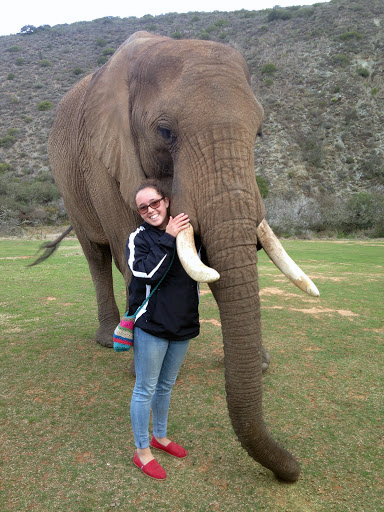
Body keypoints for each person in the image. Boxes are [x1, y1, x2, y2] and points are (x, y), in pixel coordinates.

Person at [126, 179, 200, 480]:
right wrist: (168, 238)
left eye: (154, 203)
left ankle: (161, 437)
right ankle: (142, 451)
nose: (150, 210)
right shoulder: (138, 238)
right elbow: (144, 273)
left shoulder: (186, 231)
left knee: (166, 386)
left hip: (183, 324)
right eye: (143, 207)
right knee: (145, 388)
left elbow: (205, 261)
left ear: (166, 201)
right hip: (152, 326)